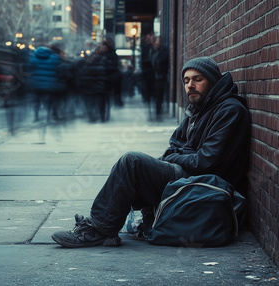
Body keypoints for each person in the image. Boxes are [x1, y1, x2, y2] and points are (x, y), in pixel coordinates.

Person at [51, 57, 251, 248]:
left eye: (198, 79)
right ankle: (103, 225)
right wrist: (175, 156)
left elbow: (207, 161)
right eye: (186, 80)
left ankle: (98, 230)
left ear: (213, 81)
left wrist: (173, 157)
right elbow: (175, 143)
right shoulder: (199, 109)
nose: (190, 85)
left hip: (204, 182)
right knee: (132, 169)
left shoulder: (229, 111)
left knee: (131, 162)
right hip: (190, 173)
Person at [149, 36, 169, 121]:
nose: (158, 43)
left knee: (159, 96)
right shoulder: (152, 51)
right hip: (153, 77)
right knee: (154, 96)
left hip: (161, 77)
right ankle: (156, 112)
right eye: (156, 41)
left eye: (159, 41)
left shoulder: (163, 51)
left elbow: (162, 63)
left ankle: (158, 113)